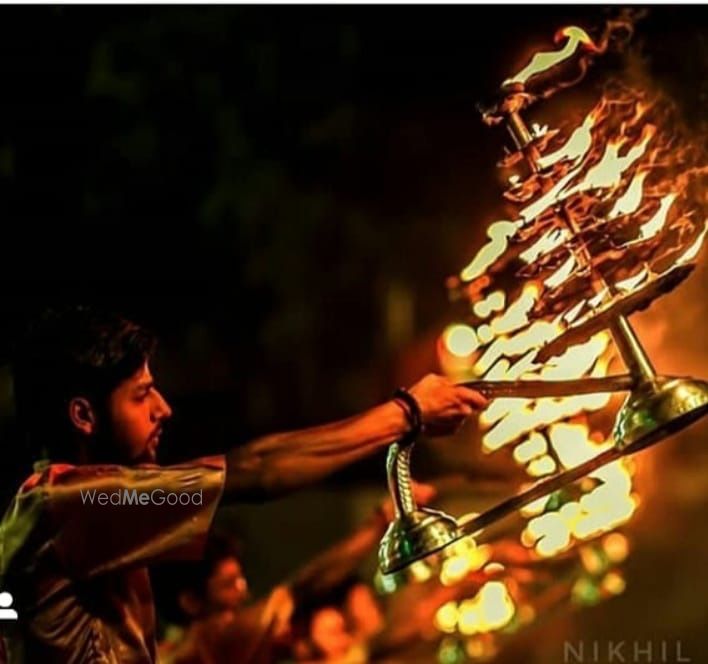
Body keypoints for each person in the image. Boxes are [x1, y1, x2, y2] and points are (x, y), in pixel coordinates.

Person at [0, 306, 486, 662]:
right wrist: (408, 413)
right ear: (83, 415)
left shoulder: (88, 511)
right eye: (141, 396)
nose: (163, 409)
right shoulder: (67, 503)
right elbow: (255, 471)